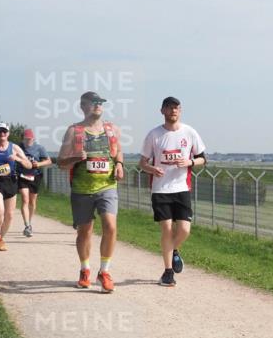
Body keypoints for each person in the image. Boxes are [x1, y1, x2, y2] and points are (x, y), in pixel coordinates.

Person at [56, 92, 125, 292]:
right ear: (83, 106)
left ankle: (104, 272)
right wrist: (75, 158)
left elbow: (118, 151)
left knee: (110, 226)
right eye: (93, 102)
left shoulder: (112, 129)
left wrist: (119, 164)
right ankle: (85, 269)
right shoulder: (74, 131)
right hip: (82, 189)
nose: (97, 105)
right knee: (84, 232)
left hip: (107, 186)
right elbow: (60, 162)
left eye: (100, 102)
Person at [138, 97, 206, 287]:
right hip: (160, 189)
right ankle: (168, 273)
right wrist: (152, 169)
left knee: (184, 230)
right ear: (162, 111)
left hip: (181, 188)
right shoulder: (154, 135)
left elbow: (202, 159)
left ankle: (173, 250)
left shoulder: (189, 132)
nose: (173, 111)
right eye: (169, 108)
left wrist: (190, 162)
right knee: (167, 229)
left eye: (176, 108)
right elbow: (142, 163)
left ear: (180, 111)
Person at [0, 122, 33, 251]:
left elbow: (29, 165)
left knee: (9, 215)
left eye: (4, 131)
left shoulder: (14, 148)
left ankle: (1, 239)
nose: (2, 134)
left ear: (8, 133)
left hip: (11, 182)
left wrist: (19, 159)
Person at [19, 128, 53, 237]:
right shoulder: (18, 147)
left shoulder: (39, 148)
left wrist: (38, 164)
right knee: (25, 198)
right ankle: (27, 225)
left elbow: (49, 161)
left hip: (35, 176)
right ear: (23, 138)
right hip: (22, 176)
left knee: (32, 202)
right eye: (26, 139)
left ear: (33, 139)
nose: (28, 141)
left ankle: (30, 221)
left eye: (30, 139)